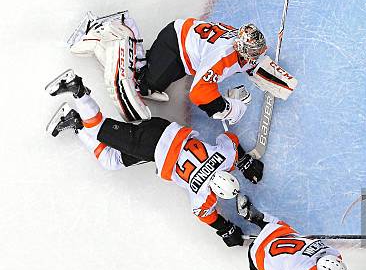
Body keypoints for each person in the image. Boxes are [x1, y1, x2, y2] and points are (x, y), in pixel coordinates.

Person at [45, 69, 264, 247]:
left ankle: (74, 121)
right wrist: (226, 229)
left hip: (161, 134)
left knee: (111, 161)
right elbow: (205, 215)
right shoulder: (202, 194)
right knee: (98, 129)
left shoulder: (224, 158)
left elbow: (231, 140)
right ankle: (78, 88)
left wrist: (243, 162)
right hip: (151, 145)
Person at [69, 11, 266, 125]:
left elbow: (251, 59)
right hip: (175, 46)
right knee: (143, 83)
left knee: (150, 82)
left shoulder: (239, 44)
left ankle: (123, 40)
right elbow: (199, 92)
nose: (256, 56)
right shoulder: (221, 56)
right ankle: (116, 30)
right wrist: (224, 108)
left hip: (184, 46)